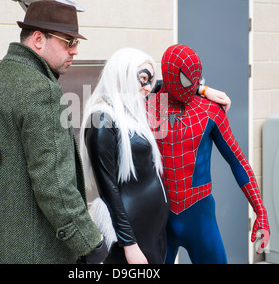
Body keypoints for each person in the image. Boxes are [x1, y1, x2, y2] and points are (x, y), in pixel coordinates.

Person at [0, 0, 107, 264]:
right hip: (34, 251)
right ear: (39, 39)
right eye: (69, 41)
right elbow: (55, 184)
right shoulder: (42, 90)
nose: (74, 51)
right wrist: (90, 245)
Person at [80, 47, 232, 264]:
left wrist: (201, 89)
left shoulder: (131, 107)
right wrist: (129, 245)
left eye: (150, 80)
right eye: (142, 79)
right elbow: (109, 190)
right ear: (122, 76)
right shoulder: (103, 120)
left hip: (152, 230)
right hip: (132, 232)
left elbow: (166, 84)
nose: (148, 87)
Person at [147, 44, 270, 264]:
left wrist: (260, 210)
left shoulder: (210, 110)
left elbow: (238, 161)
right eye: (188, 81)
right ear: (169, 75)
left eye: (197, 80)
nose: (192, 85)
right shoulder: (145, 106)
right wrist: (201, 90)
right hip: (159, 215)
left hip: (199, 213)